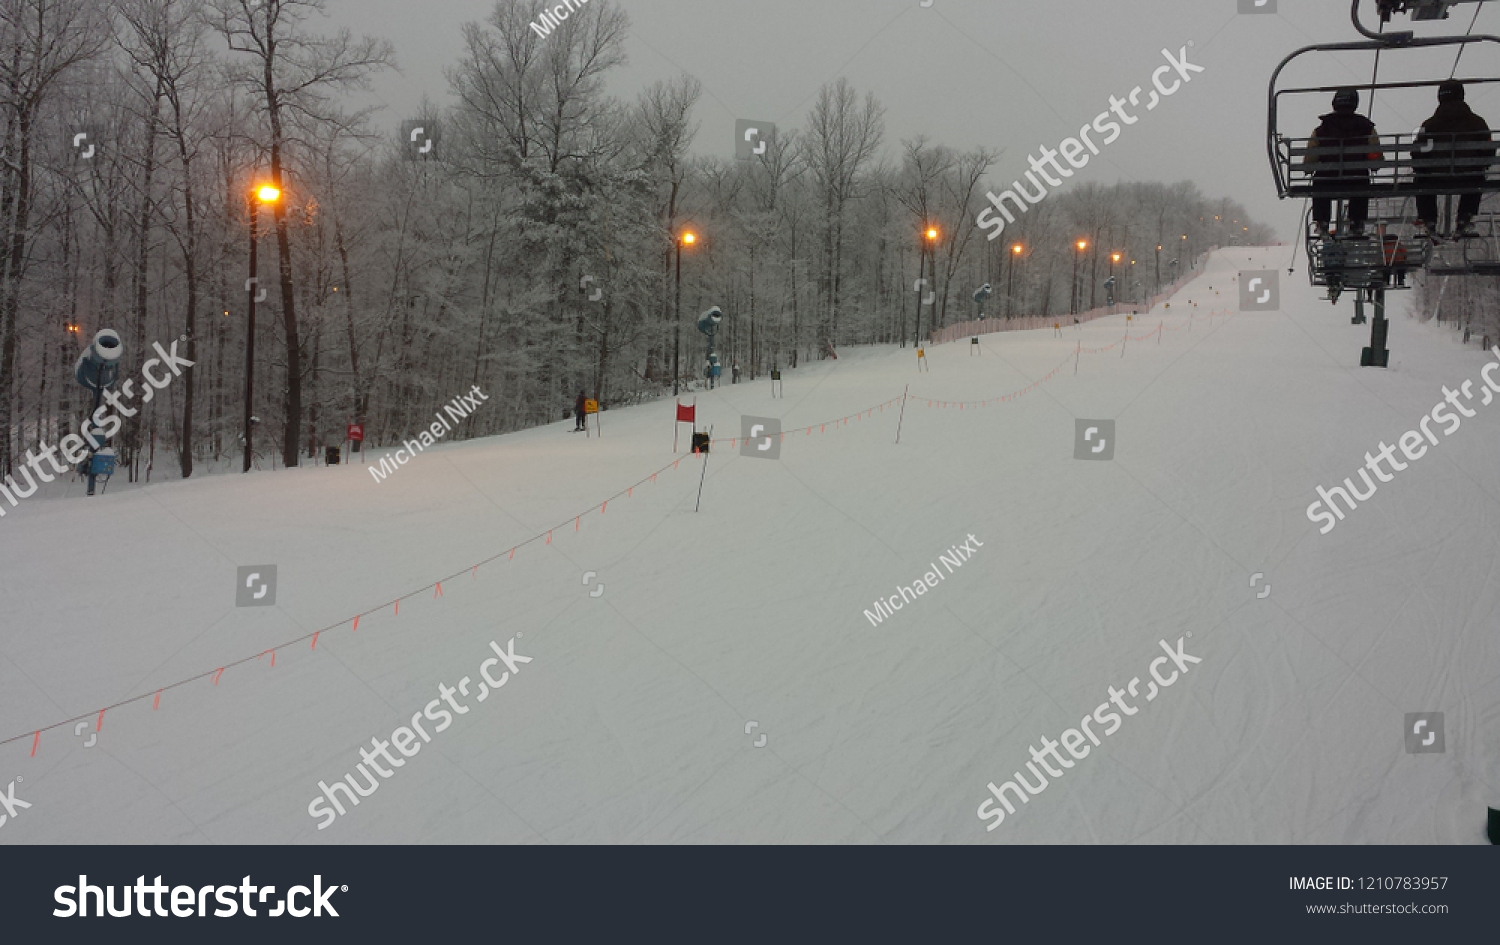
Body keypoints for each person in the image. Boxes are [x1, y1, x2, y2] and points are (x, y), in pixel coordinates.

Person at [1414, 79, 1495, 238]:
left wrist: (1423, 168)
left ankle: (1428, 219)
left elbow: (1420, 154)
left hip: (1435, 177)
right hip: (1468, 176)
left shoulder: (1430, 125)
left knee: (1421, 179)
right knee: (1476, 175)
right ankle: (1464, 218)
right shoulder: (1476, 123)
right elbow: (1487, 152)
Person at [1306, 87, 1382, 238]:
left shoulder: (1322, 129)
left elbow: (1310, 160)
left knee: (1319, 182)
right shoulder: (1367, 128)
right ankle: (1356, 221)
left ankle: (1322, 222)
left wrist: (1311, 167)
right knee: (1361, 182)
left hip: (1327, 180)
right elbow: (1376, 158)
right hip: (1356, 179)